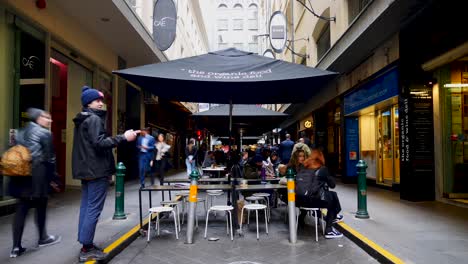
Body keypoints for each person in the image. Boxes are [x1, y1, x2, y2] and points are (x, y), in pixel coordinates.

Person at [72, 86, 138, 262]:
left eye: (101, 100)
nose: (101, 103)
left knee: (86, 207)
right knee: (93, 208)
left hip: (87, 170)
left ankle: (86, 243)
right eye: (97, 100)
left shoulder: (83, 119)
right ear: (88, 103)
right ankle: (86, 248)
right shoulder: (93, 119)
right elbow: (100, 143)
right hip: (96, 170)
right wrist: (124, 137)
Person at [8, 108, 61, 258]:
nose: (49, 120)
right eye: (46, 117)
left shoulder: (19, 132)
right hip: (37, 176)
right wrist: (53, 178)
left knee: (21, 210)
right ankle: (43, 238)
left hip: (19, 176)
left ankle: (16, 247)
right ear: (37, 118)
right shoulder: (45, 133)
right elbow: (50, 158)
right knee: (41, 207)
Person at [296, 148, 343, 239]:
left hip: (299, 201)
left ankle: (301, 219)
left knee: (310, 194)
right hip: (313, 201)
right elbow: (332, 185)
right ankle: (329, 230)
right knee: (333, 196)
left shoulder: (303, 167)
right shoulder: (322, 169)